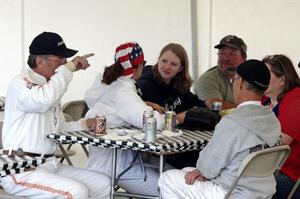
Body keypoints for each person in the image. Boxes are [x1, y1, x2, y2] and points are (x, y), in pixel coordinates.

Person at [1, 31, 110, 198]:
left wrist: (84, 124)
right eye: (60, 60)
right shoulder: (20, 83)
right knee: (75, 192)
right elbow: (44, 99)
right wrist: (69, 70)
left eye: (65, 61)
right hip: (21, 168)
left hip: (49, 164)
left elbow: (58, 129)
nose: (65, 64)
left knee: (103, 183)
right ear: (39, 61)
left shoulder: (49, 87)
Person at [158, 59, 282, 199]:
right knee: (187, 171)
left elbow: (207, 166)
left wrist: (204, 171)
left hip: (231, 192)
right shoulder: (273, 120)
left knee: (167, 178)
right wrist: (203, 171)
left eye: (233, 80)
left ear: (240, 82)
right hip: (261, 192)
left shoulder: (233, 122)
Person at [84, 42, 165, 196]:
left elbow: (115, 105)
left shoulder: (105, 81)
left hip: (101, 161)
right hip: (118, 166)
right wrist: (174, 117)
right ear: (138, 66)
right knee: (170, 189)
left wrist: (143, 103)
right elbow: (152, 122)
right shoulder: (123, 90)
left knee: (170, 172)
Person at [137, 43, 208, 169]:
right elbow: (156, 119)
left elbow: (200, 106)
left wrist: (184, 115)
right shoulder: (146, 83)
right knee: (196, 163)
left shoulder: (179, 84)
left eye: (173, 64)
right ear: (158, 60)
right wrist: (180, 117)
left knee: (206, 154)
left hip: (178, 141)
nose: (166, 67)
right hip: (156, 146)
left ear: (181, 68)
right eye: (164, 61)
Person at [262, 54, 300, 199]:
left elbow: (281, 141)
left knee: (242, 183)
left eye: (266, 74)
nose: (261, 78)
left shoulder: (295, 99)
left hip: (288, 173)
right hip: (266, 167)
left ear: (282, 80)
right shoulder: (265, 99)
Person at [194, 35, 247, 109]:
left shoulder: (250, 77)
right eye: (222, 53)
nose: (225, 58)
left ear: (244, 58)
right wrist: (249, 110)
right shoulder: (208, 79)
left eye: (232, 54)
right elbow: (214, 105)